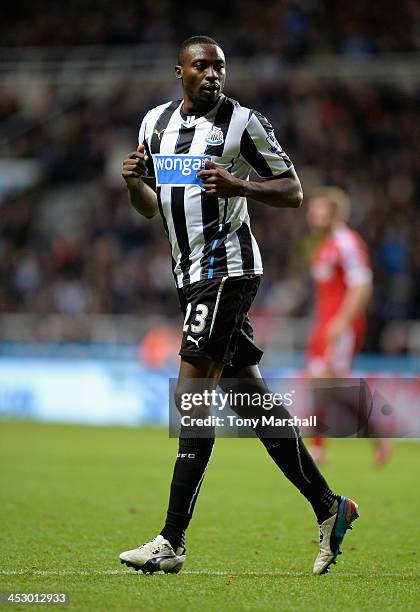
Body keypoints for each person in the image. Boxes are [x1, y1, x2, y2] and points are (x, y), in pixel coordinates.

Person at [119, 35, 358, 577]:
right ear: (179, 71)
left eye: (219, 67)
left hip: (227, 272)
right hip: (188, 276)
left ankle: (171, 539)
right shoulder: (154, 125)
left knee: (192, 394)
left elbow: (294, 190)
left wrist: (239, 185)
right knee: (254, 405)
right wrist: (134, 183)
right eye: (201, 67)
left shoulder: (244, 123)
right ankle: (330, 507)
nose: (212, 75)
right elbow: (147, 207)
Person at [305, 186, 392, 465]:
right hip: (325, 323)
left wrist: (341, 322)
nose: (312, 215)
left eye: (318, 210)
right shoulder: (324, 244)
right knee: (325, 383)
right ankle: (377, 433)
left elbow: (362, 285)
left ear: (335, 213)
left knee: (324, 382)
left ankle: (319, 448)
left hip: (341, 324)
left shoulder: (347, 243)